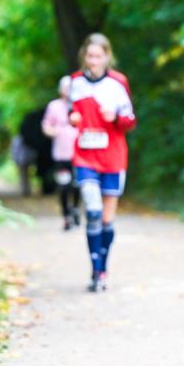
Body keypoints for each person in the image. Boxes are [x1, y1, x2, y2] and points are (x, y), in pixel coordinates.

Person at [68, 33, 136, 292]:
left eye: (98, 56)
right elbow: (70, 112)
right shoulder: (75, 82)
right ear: (84, 57)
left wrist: (116, 117)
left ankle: (103, 269)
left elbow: (130, 120)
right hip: (85, 156)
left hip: (113, 157)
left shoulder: (118, 83)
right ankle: (95, 271)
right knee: (92, 211)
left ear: (107, 57)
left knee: (107, 219)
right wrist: (72, 117)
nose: (93, 61)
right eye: (90, 56)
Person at [42, 74, 81, 229]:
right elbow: (46, 125)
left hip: (80, 154)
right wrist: (54, 131)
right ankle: (66, 215)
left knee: (78, 185)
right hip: (61, 154)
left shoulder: (80, 105)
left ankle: (76, 209)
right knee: (64, 185)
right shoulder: (54, 106)